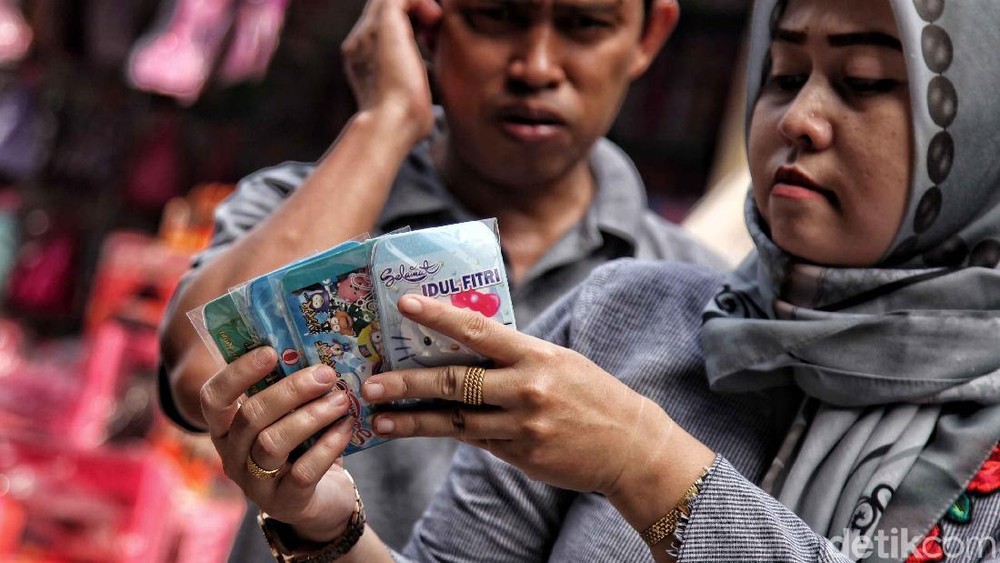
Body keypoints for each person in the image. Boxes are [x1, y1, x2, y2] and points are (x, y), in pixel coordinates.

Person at [201, 0, 1000, 560]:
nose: (797, 118)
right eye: (785, 74)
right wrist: (324, 527)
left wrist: (645, 463)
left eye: (864, 81)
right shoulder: (622, 318)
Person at [157, 0, 728, 555]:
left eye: (585, 24)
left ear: (649, 34)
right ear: (426, 24)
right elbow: (205, 378)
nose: (536, 67)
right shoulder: (303, 203)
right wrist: (387, 120)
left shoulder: (694, 296)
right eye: (496, 17)